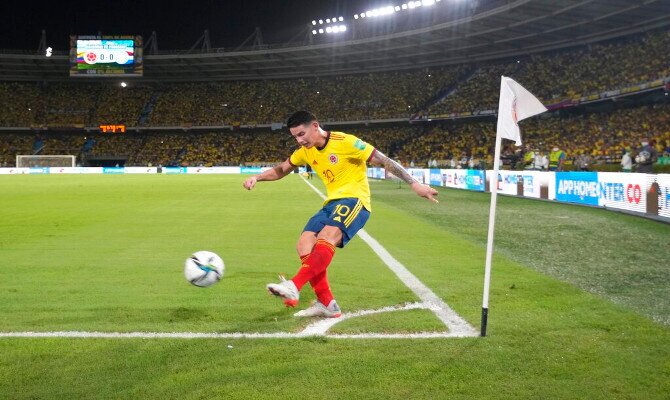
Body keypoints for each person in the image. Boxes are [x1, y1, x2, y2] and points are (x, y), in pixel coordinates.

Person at [242, 111, 438, 318]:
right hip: (331, 203)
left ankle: (295, 285)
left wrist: (414, 184)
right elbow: (282, 169)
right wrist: (257, 177)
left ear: (315, 126)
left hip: (355, 201)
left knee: (326, 236)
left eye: (302, 134)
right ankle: (327, 303)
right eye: (295, 137)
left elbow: (383, 160)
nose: (300, 140)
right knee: (304, 244)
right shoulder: (305, 151)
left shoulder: (345, 142)